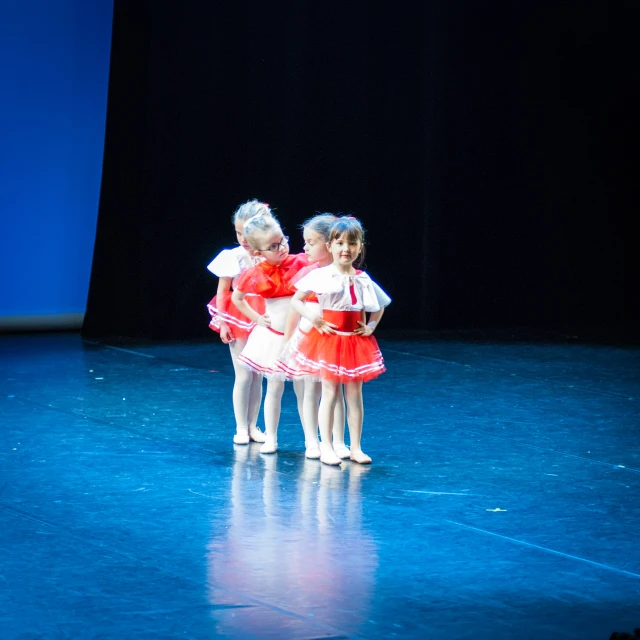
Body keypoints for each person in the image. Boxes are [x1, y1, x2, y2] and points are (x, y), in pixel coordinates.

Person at [289, 216, 391, 465]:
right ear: (331, 246)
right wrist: (316, 319)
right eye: (340, 243)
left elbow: (380, 306)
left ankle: (355, 447)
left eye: (352, 244)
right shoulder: (322, 275)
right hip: (329, 341)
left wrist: (371, 326)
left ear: (360, 246)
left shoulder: (362, 278)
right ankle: (327, 446)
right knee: (330, 392)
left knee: (355, 395)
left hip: (354, 343)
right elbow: (296, 300)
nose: (346, 249)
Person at [231, 212, 308, 454]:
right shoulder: (255, 272)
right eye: (273, 247)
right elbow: (237, 298)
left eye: (283, 241)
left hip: (302, 337)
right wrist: (257, 318)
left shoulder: (301, 263)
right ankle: (271, 437)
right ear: (257, 252)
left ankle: (312, 440)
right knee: (274, 388)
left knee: (304, 390)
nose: (282, 248)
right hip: (274, 337)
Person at [279, 214, 349, 460]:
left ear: (329, 243)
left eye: (311, 242)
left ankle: (339, 441)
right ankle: (312, 440)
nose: (305, 247)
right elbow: (293, 310)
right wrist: (288, 342)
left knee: (335, 390)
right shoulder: (308, 274)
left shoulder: (345, 273)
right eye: (305, 242)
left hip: (334, 336)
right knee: (310, 390)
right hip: (310, 336)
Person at [206, 199, 272, 445]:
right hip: (239, 315)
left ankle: (254, 425)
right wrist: (223, 322)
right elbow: (223, 291)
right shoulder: (232, 256)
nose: (242, 238)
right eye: (238, 232)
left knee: (258, 376)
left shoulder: (268, 254)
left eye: (247, 232)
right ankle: (240, 427)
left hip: (264, 316)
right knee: (244, 375)